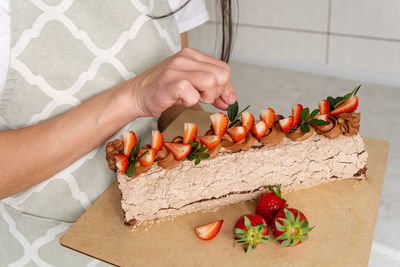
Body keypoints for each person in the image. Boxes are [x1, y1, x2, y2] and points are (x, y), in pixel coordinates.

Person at [0, 0, 236, 265]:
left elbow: (175, 100)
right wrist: (132, 98)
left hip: (155, 237)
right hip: (38, 248)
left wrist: (209, 140)